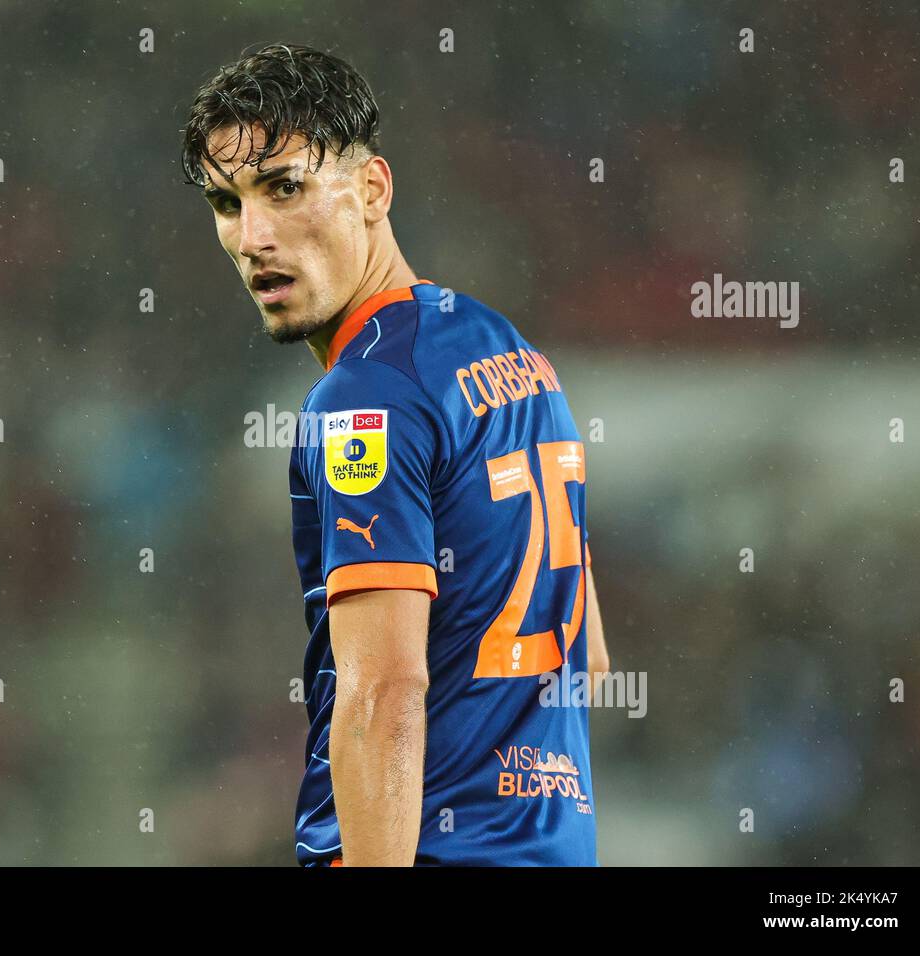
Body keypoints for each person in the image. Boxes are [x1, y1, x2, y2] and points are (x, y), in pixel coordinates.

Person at [180, 43, 610, 866]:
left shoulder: (361, 402)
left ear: (372, 189)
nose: (253, 236)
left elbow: (383, 691)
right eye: (226, 202)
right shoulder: (509, 351)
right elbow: (584, 646)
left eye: (285, 187)